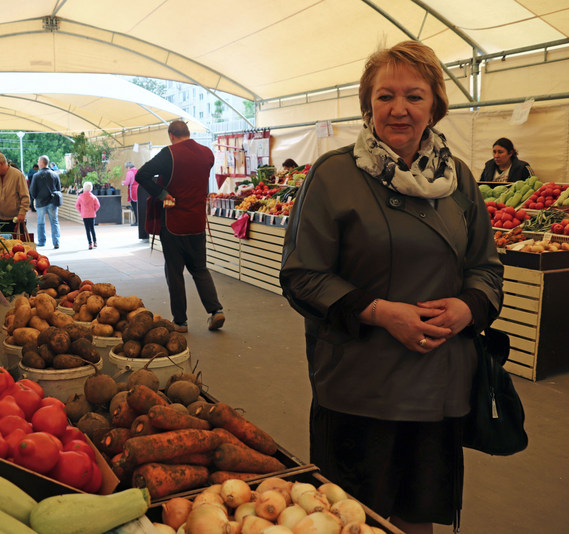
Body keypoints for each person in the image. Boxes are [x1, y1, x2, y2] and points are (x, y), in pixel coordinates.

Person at [279, 41, 503, 534]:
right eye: (385, 96)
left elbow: (486, 267)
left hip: (439, 385)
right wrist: (383, 313)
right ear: (368, 104)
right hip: (359, 387)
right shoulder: (333, 174)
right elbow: (301, 275)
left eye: (414, 96)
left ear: (435, 105)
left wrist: (468, 308)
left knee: (418, 516)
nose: (399, 109)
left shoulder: (459, 179)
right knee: (352, 519)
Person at [135, 120, 225, 333]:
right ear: (188, 133)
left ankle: (181, 321)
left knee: (174, 272)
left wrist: (163, 194)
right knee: (200, 269)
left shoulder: (170, 154)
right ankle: (216, 311)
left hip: (174, 222)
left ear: (171, 135)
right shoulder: (207, 154)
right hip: (197, 222)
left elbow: (141, 175)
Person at [30, 155, 62, 249]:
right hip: (52, 202)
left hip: (41, 202)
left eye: (38, 161)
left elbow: (32, 190)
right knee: (54, 221)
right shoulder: (55, 175)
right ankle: (56, 242)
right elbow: (58, 189)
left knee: (40, 222)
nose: (38, 163)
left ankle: (41, 241)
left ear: (41, 163)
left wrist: (35, 198)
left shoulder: (36, 176)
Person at [75, 181, 100, 250]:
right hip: (92, 215)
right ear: (91, 188)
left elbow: (77, 205)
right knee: (92, 229)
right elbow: (98, 205)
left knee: (87, 230)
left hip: (85, 215)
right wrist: (94, 210)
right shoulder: (93, 197)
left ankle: (90, 244)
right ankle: (95, 242)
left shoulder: (80, 197)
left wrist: (81, 211)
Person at [122, 162, 139, 226]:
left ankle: (137, 222)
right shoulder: (138, 170)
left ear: (128, 167)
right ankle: (140, 221)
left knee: (134, 207)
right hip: (139, 190)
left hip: (133, 190)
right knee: (139, 207)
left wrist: (123, 182)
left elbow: (127, 182)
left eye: (127, 168)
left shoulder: (129, 172)